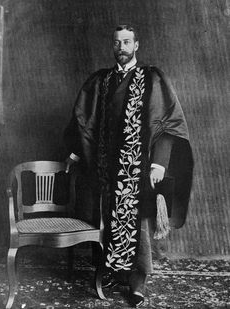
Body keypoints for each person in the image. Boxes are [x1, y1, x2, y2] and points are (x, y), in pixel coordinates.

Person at [64, 25, 193, 308]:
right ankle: (110, 270)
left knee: (139, 223)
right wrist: (75, 153)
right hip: (106, 167)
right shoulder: (102, 81)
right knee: (107, 217)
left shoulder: (152, 80)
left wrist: (159, 163)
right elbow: (85, 120)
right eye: (116, 42)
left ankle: (138, 280)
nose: (121, 47)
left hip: (139, 166)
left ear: (136, 45)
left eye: (126, 42)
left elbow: (167, 124)